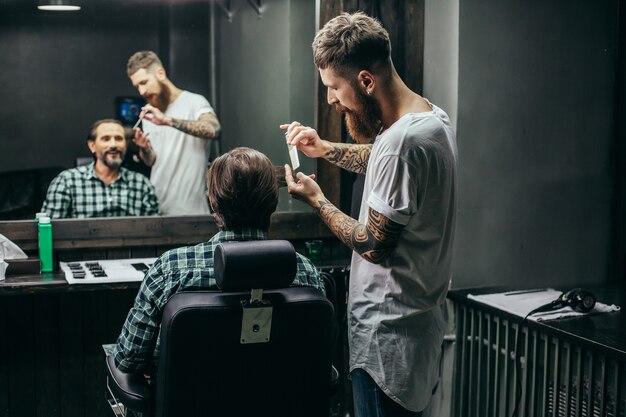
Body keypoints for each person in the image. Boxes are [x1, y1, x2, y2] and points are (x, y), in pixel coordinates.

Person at [281, 12, 457, 417]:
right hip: (415, 330)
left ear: (365, 81)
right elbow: (383, 162)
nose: (330, 99)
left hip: (387, 343)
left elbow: (374, 245)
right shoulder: (431, 119)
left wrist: (318, 200)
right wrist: (325, 148)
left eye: (334, 88)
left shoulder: (402, 142)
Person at [113, 147, 325, 374]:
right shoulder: (304, 271)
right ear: (273, 203)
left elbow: (129, 359)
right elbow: (317, 355)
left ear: (213, 203)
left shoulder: (171, 269)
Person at [126, 50, 221, 215]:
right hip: (157, 208)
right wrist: (144, 148)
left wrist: (168, 121)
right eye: (137, 86)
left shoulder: (193, 102)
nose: (141, 92)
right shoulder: (151, 113)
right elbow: (152, 161)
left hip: (191, 209)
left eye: (144, 82)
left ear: (160, 73)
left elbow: (214, 128)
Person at [42, 119, 159, 218]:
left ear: (126, 145)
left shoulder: (141, 183)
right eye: (106, 139)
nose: (113, 145)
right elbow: (48, 228)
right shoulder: (67, 181)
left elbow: (154, 230)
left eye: (118, 138)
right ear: (92, 146)